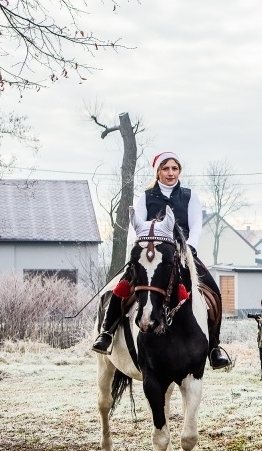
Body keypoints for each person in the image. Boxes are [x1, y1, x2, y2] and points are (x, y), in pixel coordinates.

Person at [92, 151, 231, 370]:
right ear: (158, 171)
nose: (170, 173)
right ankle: (107, 332)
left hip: (183, 253)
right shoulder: (146, 197)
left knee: (213, 291)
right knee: (123, 286)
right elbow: (135, 227)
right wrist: (140, 250)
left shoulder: (189, 196)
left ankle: (214, 347)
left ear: (179, 171)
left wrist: (190, 249)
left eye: (175, 168)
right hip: (152, 255)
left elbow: (195, 226)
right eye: (166, 168)